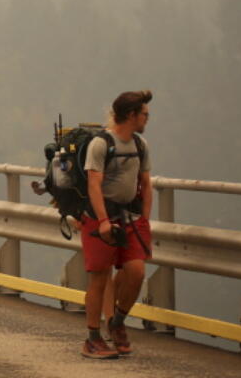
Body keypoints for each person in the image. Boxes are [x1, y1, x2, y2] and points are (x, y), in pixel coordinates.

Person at [80, 90, 153, 359]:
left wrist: (144, 218)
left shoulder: (140, 145)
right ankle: (92, 338)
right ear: (132, 115)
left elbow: (146, 183)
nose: (148, 118)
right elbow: (94, 184)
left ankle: (118, 323)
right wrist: (101, 222)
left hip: (131, 219)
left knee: (136, 272)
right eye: (144, 114)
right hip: (101, 219)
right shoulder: (101, 144)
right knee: (99, 277)